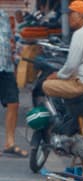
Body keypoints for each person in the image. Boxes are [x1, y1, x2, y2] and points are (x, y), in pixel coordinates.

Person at [0, 9, 26, 157]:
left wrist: (15, 57)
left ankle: (10, 143)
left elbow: (11, 39)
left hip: (6, 67)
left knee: (13, 103)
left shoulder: (3, 15)